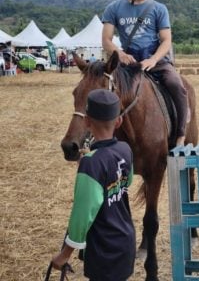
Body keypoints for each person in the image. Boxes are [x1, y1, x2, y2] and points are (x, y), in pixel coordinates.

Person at [101, 0, 187, 146]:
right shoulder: (113, 8)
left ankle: (180, 134)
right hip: (127, 64)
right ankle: (101, 136)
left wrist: (154, 60)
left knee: (177, 85)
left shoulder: (159, 9)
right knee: (103, 89)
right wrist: (120, 54)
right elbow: (106, 40)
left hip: (154, 61)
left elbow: (166, 40)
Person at [51, 89, 135, 281]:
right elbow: (126, 181)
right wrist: (89, 163)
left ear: (87, 122)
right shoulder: (126, 149)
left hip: (104, 248)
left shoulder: (91, 164)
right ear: (119, 121)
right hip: (125, 240)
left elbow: (83, 214)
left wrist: (64, 255)